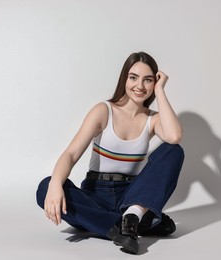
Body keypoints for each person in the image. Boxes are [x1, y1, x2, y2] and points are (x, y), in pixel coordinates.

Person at [36, 51, 185, 254]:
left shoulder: (153, 119)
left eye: (148, 80)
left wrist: (160, 91)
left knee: (173, 152)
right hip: (96, 193)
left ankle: (128, 217)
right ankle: (127, 226)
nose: (140, 86)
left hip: (131, 195)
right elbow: (71, 153)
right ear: (124, 78)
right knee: (44, 187)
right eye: (133, 78)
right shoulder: (103, 110)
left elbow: (174, 136)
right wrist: (55, 184)